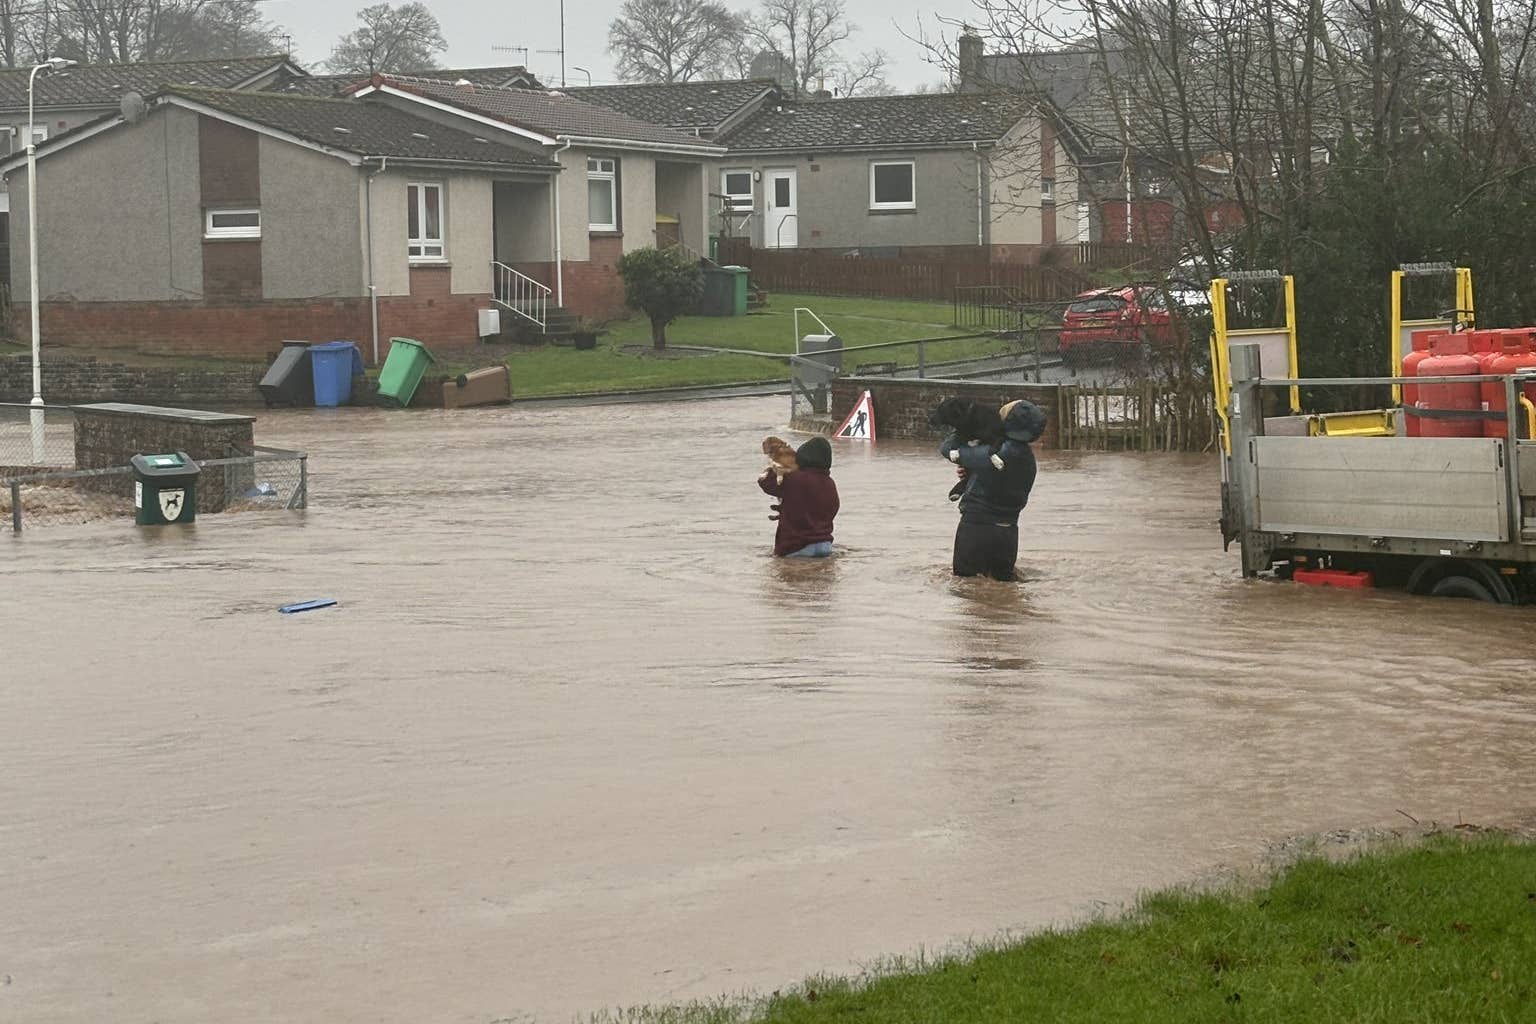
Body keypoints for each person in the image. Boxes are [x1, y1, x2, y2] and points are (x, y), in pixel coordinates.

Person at [939, 399, 1046, 581]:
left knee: (967, 589)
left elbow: (948, 449)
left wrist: (964, 428)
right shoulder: (1027, 459)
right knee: (1002, 592)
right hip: (1008, 534)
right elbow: (999, 481)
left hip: (976, 531)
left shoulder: (996, 454)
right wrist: (972, 474)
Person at [758, 436, 839, 557]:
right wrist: (788, 509)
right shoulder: (830, 483)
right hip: (825, 545)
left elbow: (766, 483)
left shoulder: (795, 479)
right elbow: (831, 508)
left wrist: (776, 463)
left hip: (797, 547)